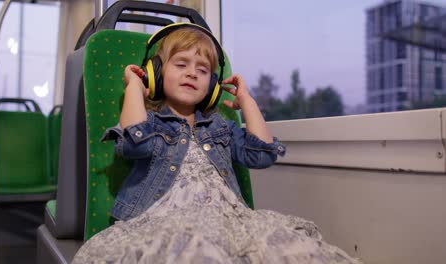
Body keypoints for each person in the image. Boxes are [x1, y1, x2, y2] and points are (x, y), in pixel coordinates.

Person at [72, 23, 361, 264]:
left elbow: (261, 154)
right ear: (156, 74)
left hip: (230, 220)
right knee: (193, 252)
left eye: (202, 70)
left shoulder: (220, 127)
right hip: (165, 220)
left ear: (212, 85)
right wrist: (135, 86)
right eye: (181, 64)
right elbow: (135, 140)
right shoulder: (153, 123)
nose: (192, 73)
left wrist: (246, 102)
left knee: (292, 249)